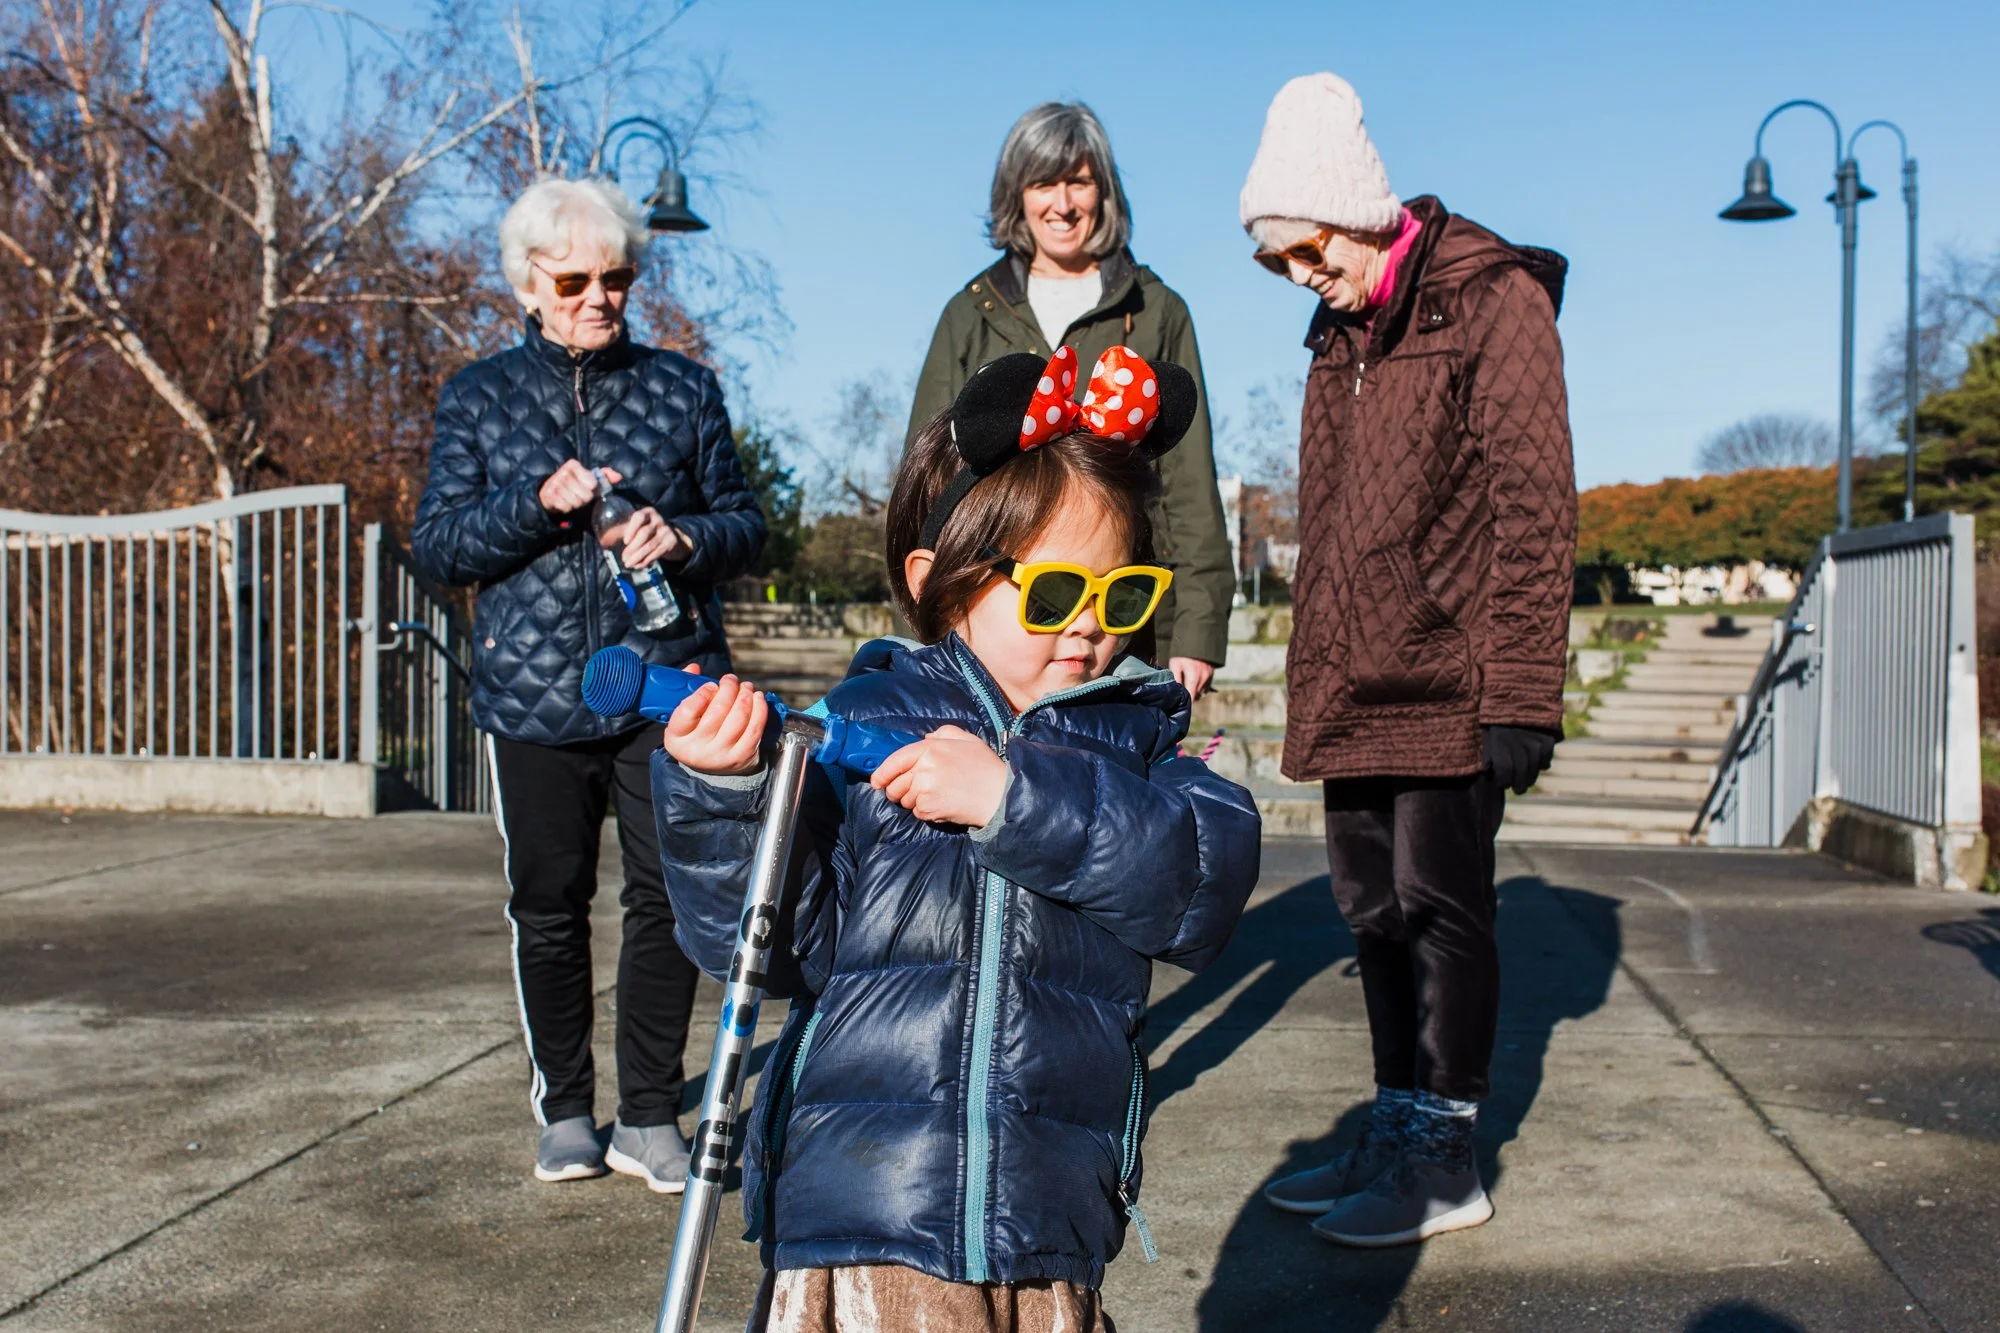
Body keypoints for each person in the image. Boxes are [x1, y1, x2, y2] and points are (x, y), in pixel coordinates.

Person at [654, 348, 1262, 1329]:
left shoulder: (1139, 744)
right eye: (1057, 593)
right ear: (940, 580)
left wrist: (1012, 799)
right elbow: (766, 943)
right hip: (864, 1210)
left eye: (1124, 597)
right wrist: (721, 792)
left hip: (1042, 1219)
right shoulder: (863, 719)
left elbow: (1197, 886)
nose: (1088, 632)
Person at [1239, 74, 1577, 1245]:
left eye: (1305, 249)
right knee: (1366, 907)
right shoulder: (1337, 328)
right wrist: (1314, 669)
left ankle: (1444, 1151)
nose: (1299, 275)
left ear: (1355, 210)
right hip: (1358, 671)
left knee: (1440, 903)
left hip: (1454, 670)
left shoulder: (1493, 301)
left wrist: (1523, 691)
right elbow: (1330, 522)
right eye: (1278, 260)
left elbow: (1537, 507)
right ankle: (1394, 1123)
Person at [411, 177, 766, 1191]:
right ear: (527, 284)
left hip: (665, 689)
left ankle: (650, 1114)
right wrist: (532, 505)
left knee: (670, 900)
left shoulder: (683, 387)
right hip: (530, 698)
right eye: (572, 281)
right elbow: (441, 546)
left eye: (615, 278)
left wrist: (686, 533)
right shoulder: (477, 396)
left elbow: (746, 527)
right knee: (548, 904)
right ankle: (566, 1110)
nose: (597, 297)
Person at [908, 102, 1234, 700]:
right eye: (1043, 183)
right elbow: (929, 478)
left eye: (1078, 181)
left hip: (1120, 619)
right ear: (1017, 195)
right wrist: (929, 607)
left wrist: (1199, 627)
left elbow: (1189, 482)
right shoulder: (968, 313)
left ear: (1103, 193)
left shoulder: (1158, 310)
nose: (1062, 204)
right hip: (998, 621)